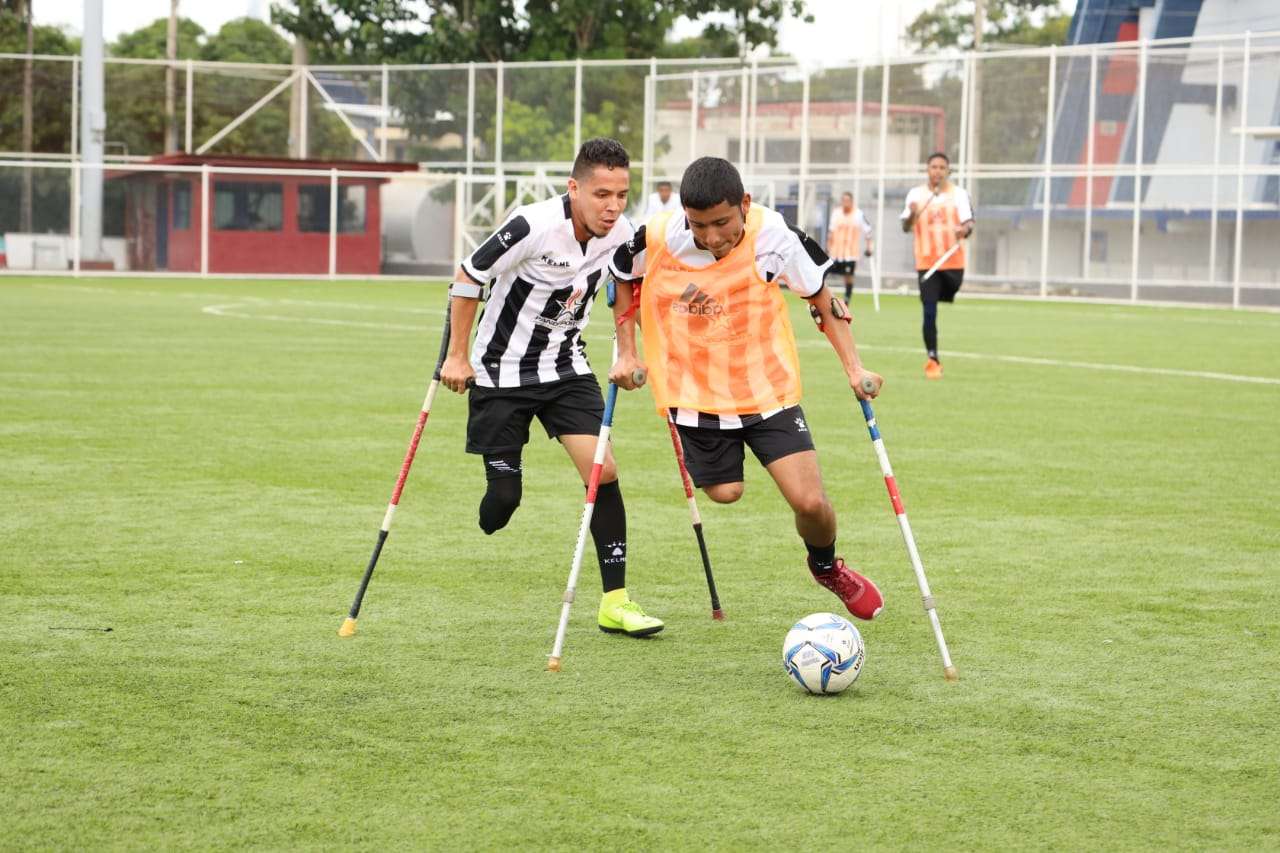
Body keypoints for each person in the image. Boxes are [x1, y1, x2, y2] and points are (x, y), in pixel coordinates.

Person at [609, 156, 884, 621]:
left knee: (811, 502)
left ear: (745, 205)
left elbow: (821, 297)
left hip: (766, 387)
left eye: (722, 223)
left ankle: (826, 566)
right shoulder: (657, 235)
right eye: (699, 226)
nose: (712, 238)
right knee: (726, 493)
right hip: (693, 390)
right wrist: (627, 352)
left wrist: (854, 368)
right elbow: (621, 274)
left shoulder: (775, 236)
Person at [439, 138, 664, 638]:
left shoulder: (622, 233)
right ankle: (499, 491)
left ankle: (615, 602)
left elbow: (628, 285)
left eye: (622, 194)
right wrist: (457, 356)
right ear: (574, 188)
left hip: (565, 369)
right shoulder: (532, 225)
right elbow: (468, 275)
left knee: (602, 472)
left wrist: (627, 352)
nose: (612, 206)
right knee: (502, 503)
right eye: (602, 194)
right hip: (500, 373)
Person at [900, 152, 974, 380]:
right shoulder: (916, 195)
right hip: (927, 263)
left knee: (946, 295)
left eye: (942, 167)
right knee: (929, 310)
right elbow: (906, 226)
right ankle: (933, 358)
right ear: (927, 170)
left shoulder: (959, 194)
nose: (938, 171)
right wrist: (912, 213)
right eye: (934, 167)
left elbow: (969, 223)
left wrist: (965, 230)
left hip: (952, 262)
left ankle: (935, 296)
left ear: (948, 171)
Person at [825, 191, 874, 303]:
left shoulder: (858, 214)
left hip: (850, 254)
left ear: (851, 202)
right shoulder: (836, 213)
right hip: (835, 253)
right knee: (825, 274)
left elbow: (868, 231)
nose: (845, 203)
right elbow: (831, 232)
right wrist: (827, 248)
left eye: (847, 200)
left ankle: (846, 301)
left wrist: (869, 247)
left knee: (848, 277)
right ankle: (826, 300)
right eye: (843, 200)